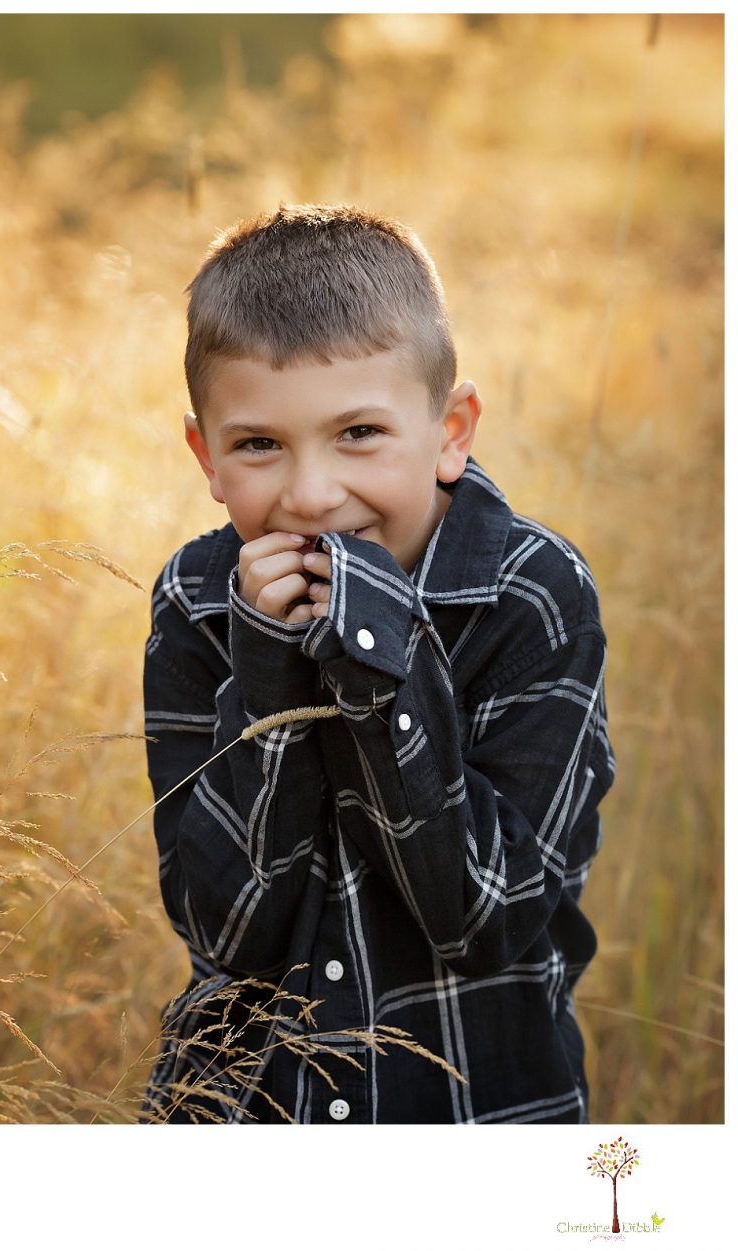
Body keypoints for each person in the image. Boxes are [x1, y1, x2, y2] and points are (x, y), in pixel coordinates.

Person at [141, 204, 614, 1125]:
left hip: (472, 1115)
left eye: (359, 433)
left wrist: (377, 670)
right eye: (259, 444)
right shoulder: (197, 604)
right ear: (206, 455)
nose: (312, 496)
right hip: (249, 1115)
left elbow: (490, 919)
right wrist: (269, 681)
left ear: (451, 430)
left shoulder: (531, 593)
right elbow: (221, 930)